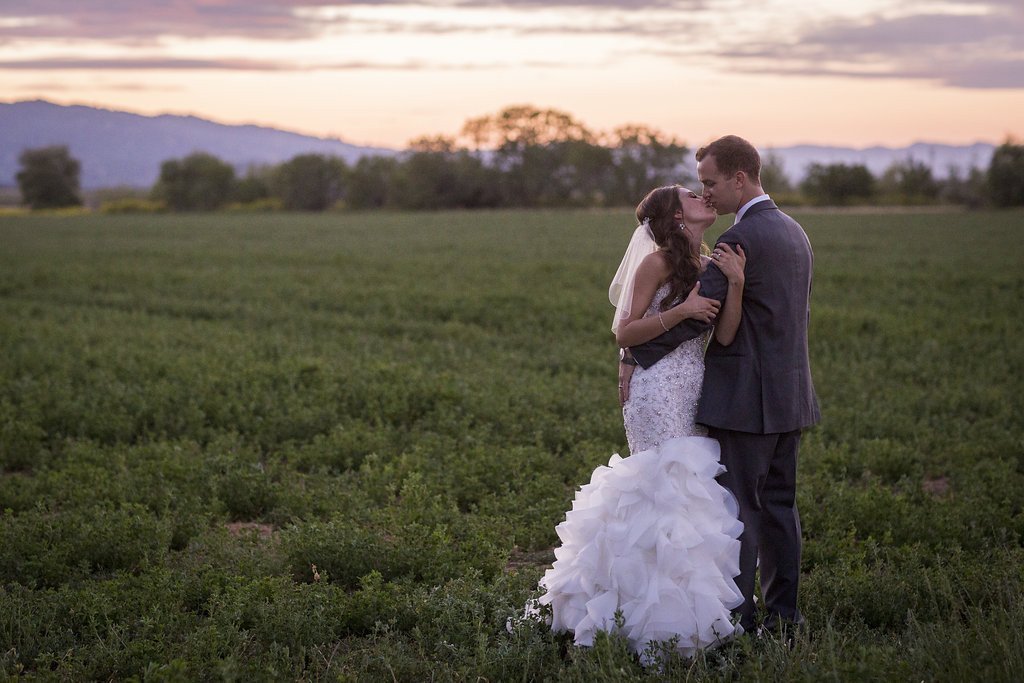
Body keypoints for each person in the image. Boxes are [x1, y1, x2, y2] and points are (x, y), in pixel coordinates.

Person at [530, 184, 749, 660]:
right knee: (661, 489)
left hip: (693, 384)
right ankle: (639, 618)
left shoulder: (710, 264)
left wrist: (735, 284)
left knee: (689, 496)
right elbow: (625, 332)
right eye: (691, 194)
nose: (703, 197)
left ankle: (681, 617)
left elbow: (726, 334)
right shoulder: (656, 263)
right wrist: (683, 311)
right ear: (674, 217)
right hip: (654, 389)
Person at [628, 136, 821, 637]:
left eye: (710, 183)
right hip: (791, 397)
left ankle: (735, 622)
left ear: (740, 178)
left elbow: (698, 319)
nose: (706, 193)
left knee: (739, 512)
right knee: (781, 509)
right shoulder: (795, 231)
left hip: (745, 403)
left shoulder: (741, 240)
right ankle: (785, 619)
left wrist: (633, 356)